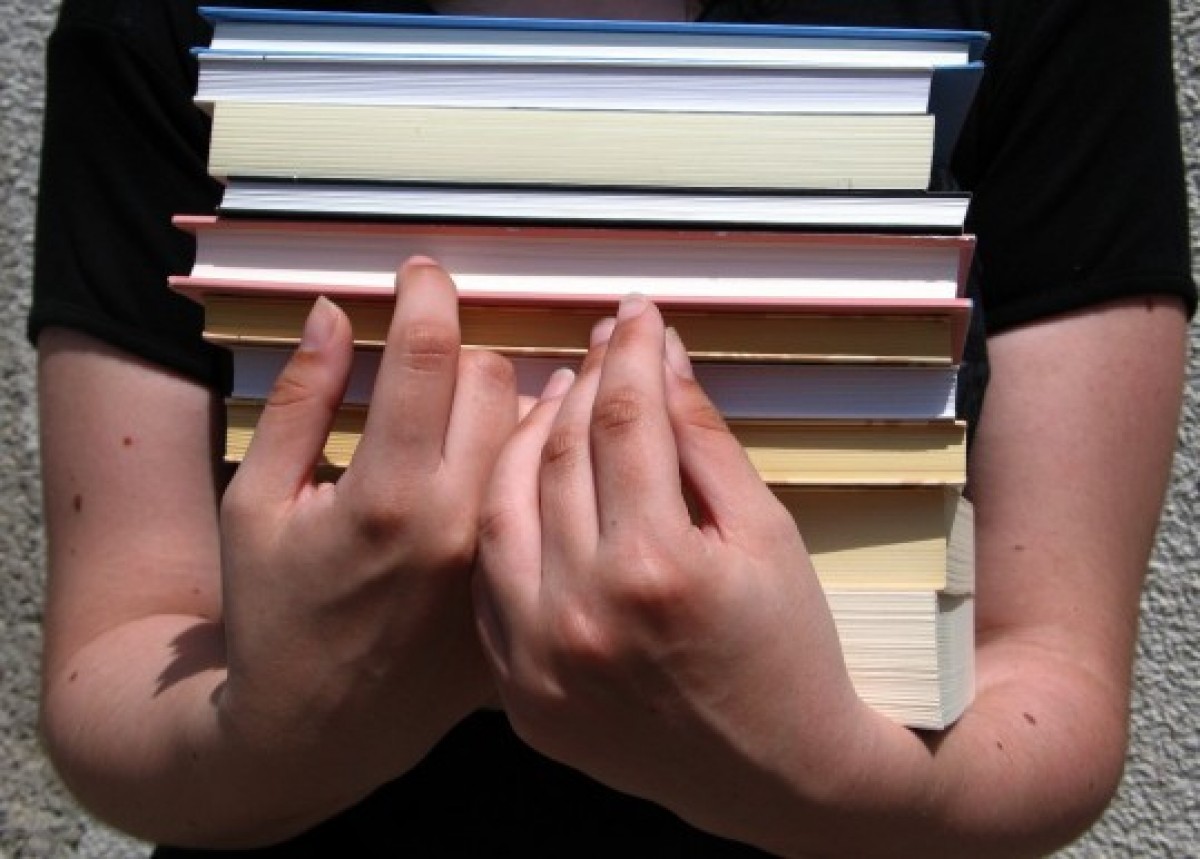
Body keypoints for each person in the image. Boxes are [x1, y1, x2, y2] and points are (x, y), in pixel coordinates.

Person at [29, 0, 1196, 855]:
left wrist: (828, 777)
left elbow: (1056, 689)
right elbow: (108, 668)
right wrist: (293, 727)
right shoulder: (153, 20)